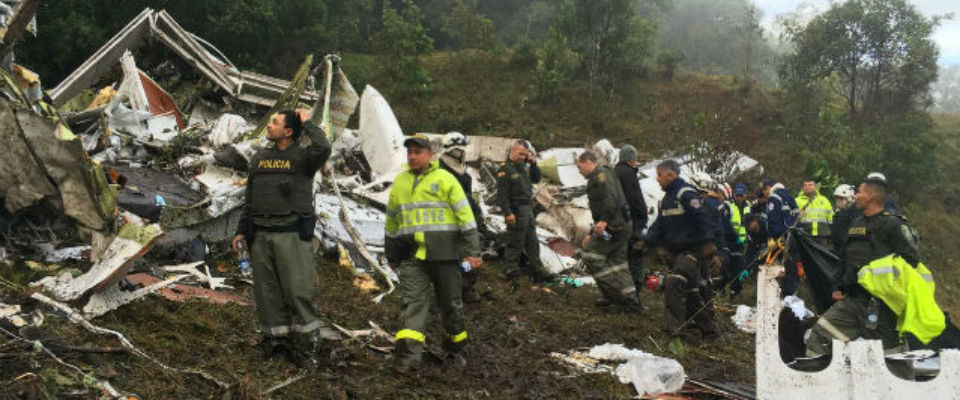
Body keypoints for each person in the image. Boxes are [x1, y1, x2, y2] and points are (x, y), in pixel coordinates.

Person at [232, 109, 331, 368]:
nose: (269, 125)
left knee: (299, 293)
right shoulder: (260, 159)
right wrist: (242, 231)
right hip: (261, 237)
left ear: (288, 131)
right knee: (268, 295)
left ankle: (306, 351)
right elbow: (249, 199)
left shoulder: (304, 158)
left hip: (291, 236)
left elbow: (323, 147)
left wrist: (307, 123)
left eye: (275, 122)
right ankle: (277, 347)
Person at [385, 134, 482, 371]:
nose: (413, 157)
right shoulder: (400, 183)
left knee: (451, 305)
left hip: (446, 256)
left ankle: (455, 349)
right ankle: (407, 360)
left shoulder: (446, 180)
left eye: (418, 152)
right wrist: (392, 256)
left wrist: (472, 252)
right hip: (412, 257)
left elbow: (466, 219)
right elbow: (392, 223)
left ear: (430, 154)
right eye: (410, 152)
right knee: (412, 305)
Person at [805, 177, 919, 356]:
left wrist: (882, 281)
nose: (855, 196)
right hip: (852, 301)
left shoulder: (893, 225)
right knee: (821, 334)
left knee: (892, 354)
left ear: (871, 197)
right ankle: (814, 378)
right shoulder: (856, 223)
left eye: (859, 192)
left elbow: (911, 261)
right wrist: (838, 286)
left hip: (881, 306)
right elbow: (844, 258)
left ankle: (903, 382)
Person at [645, 161, 718, 341]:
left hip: (693, 251)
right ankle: (708, 330)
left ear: (671, 175)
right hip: (677, 253)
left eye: (659, 174)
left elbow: (702, 217)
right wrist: (643, 242)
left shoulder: (686, 194)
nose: (657, 178)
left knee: (674, 283)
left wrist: (708, 242)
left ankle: (675, 331)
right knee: (691, 292)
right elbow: (658, 226)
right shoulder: (666, 200)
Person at [577, 151, 641, 310]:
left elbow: (610, 199)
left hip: (614, 226)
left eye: (579, 166)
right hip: (621, 225)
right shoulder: (603, 174)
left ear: (588, 162)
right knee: (618, 262)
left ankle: (615, 296)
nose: (579, 171)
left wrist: (604, 221)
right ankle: (631, 300)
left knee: (591, 256)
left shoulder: (601, 176)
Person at [438, 132, 484, 303]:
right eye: (458, 149)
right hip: (449, 221)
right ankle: (454, 288)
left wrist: (476, 212)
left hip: (465, 219)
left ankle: (465, 286)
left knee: (469, 255)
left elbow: (467, 196)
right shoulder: (440, 170)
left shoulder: (460, 169)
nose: (461, 152)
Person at [496, 140, 551, 281]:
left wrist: (532, 163)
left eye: (524, 154)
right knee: (515, 241)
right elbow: (502, 195)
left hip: (528, 209)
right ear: (512, 151)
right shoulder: (505, 169)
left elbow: (536, 178)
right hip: (516, 209)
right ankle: (510, 270)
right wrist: (508, 212)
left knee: (532, 241)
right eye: (520, 154)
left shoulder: (522, 168)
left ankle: (537, 271)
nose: (522, 157)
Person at [613, 144, 649, 306]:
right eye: (635, 159)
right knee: (635, 259)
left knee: (619, 260)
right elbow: (636, 201)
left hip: (616, 224)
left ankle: (617, 295)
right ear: (631, 159)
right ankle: (634, 297)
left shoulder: (613, 173)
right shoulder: (629, 175)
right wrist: (642, 219)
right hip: (632, 224)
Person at [795, 179, 834, 247]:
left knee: (822, 256)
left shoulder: (824, 200)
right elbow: (792, 218)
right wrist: (798, 217)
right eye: (805, 185)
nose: (808, 187)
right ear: (803, 188)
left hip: (822, 236)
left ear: (815, 187)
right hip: (804, 236)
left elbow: (831, 218)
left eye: (810, 185)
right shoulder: (797, 201)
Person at [829, 184, 856, 254]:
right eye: (837, 198)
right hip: (838, 250)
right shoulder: (837, 213)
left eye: (841, 198)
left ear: (850, 199)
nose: (838, 201)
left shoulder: (856, 213)